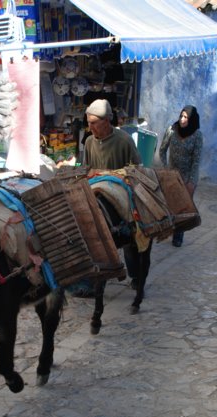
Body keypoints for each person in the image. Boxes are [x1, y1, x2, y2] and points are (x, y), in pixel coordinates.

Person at [83, 99, 142, 290]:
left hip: (119, 191)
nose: (89, 126)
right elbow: (83, 166)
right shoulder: (89, 141)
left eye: (93, 122)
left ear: (107, 121)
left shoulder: (124, 140)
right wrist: (70, 166)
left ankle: (135, 275)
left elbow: (137, 167)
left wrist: (122, 176)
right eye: (89, 122)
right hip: (95, 191)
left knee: (129, 236)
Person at [159, 105, 203, 247]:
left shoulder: (197, 135)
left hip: (187, 176)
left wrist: (191, 181)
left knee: (182, 208)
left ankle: (178, 236)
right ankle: (167, 229)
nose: (183, 120)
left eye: (186, 117)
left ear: (192, 120)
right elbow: (162, 150)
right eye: (181, 116)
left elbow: (196, 160)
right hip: (172, 174)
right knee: (169, 204)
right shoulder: (172, 130)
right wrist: (166, 169)